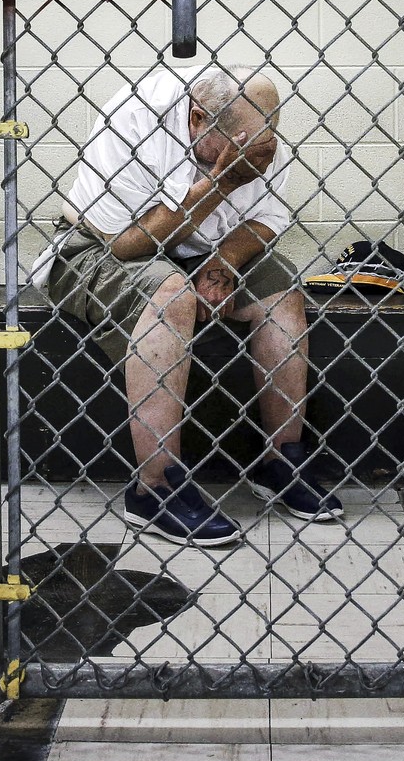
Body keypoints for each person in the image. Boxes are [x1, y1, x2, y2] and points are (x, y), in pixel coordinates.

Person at [36, 66, 341, 547]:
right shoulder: (133, 117)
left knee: (282, 290)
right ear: (196, 119)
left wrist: (223, 263)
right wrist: (220, 185)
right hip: (95, 247)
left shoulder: (257, 130)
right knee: (173, 292)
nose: (254, 161)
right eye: (237, 153)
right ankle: (154, 489)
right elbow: (124, 245)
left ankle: (283, 460)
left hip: (205, 247)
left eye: (261, 149)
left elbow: (266, 219)